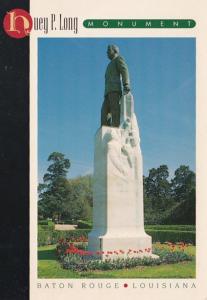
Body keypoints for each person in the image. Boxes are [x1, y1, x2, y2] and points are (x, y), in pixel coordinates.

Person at [101, 45, 130, 127]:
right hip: (107, 93)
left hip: (115, 90)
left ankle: (115, 130)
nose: (107, 52)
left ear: (115, 51)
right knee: (104, 113)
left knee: (115, 111)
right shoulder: (109, 65)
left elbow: (124, 70)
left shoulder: (118, 59)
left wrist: (126, 84)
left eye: (109, 50)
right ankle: (106, 133)